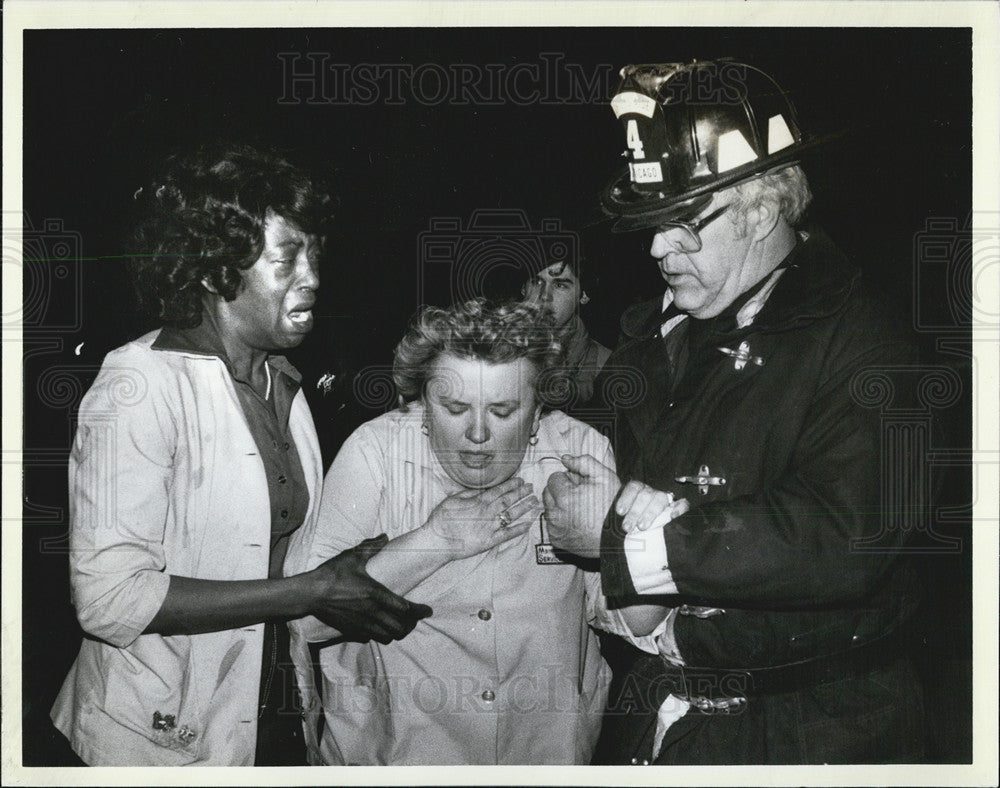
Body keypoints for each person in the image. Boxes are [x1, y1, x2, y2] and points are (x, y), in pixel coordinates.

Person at [543, 60, 925, 764]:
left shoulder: (867, 344)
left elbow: (844, 537)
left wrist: (618, 536)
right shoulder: (649, 347)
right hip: (668, 720)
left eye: (683, 223)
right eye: (650, 225)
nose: (658, 248)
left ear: (763, 207)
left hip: (811, 736)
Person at [50, 144, 430, 766]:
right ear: (214, 270)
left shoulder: (284, 383)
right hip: (148, 742)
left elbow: (267, 551)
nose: (312, 278)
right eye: (286, 260)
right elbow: (108, 597)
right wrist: (309, 590)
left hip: (268, 715)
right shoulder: (139, 384)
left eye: (316, 255)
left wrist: (346, 566)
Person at [284, 299, 668, 765]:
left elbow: (632, 621)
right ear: (423, 401)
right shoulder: (375, 452)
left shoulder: (580, 452)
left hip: (542, 757)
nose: (479, 434)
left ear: (539, 408)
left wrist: (640, 542)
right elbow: (306, 619)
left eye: (504, 411)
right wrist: (436, 541)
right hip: (396, 759)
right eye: (454, 407)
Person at [521, 254, 611, 404]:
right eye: (536, 282)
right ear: (523, 288)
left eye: (560, 285)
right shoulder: (490, 350)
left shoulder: (606, 366)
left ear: (584, 296)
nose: (544, 296)